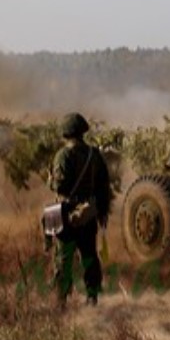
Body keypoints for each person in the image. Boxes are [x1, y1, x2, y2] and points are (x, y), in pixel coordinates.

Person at [48, 112, 113, 306]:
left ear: (66, 133)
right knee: (89, 255)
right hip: (88, 212)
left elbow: (59, 186)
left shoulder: (63, 155)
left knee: (64, 258)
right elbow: (104, 187)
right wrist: (102, 212)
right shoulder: (95, 155)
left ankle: (62, 300)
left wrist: (50, 181)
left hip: (67, 213)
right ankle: (92, 296)